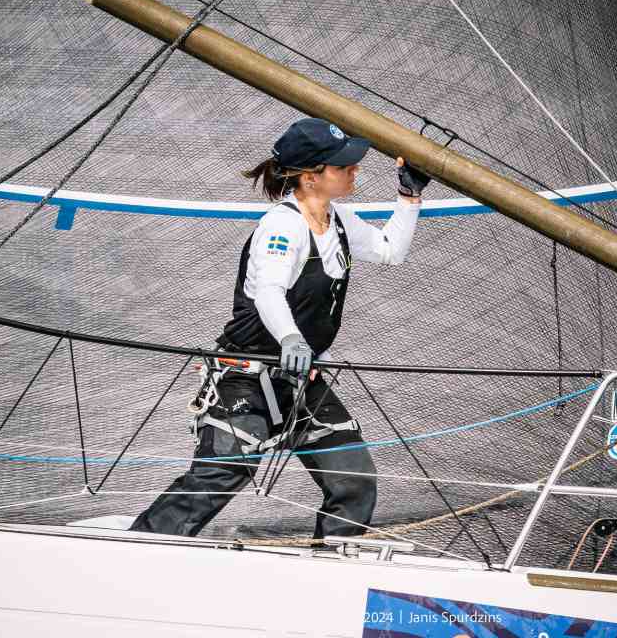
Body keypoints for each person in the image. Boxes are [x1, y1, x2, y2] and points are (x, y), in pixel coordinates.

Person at [130, 117, 429, 538]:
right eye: (343, 165)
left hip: (302, 380)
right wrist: (291, 338)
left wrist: (409, 197)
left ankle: (333, 561)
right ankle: (144, 543)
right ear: (310, 177)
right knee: (222, 474)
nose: (354, 170)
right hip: (246, 377)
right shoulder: (282, 226)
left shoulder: (338, 219)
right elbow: (269, 291)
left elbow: (389, 250)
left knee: (354, 479)